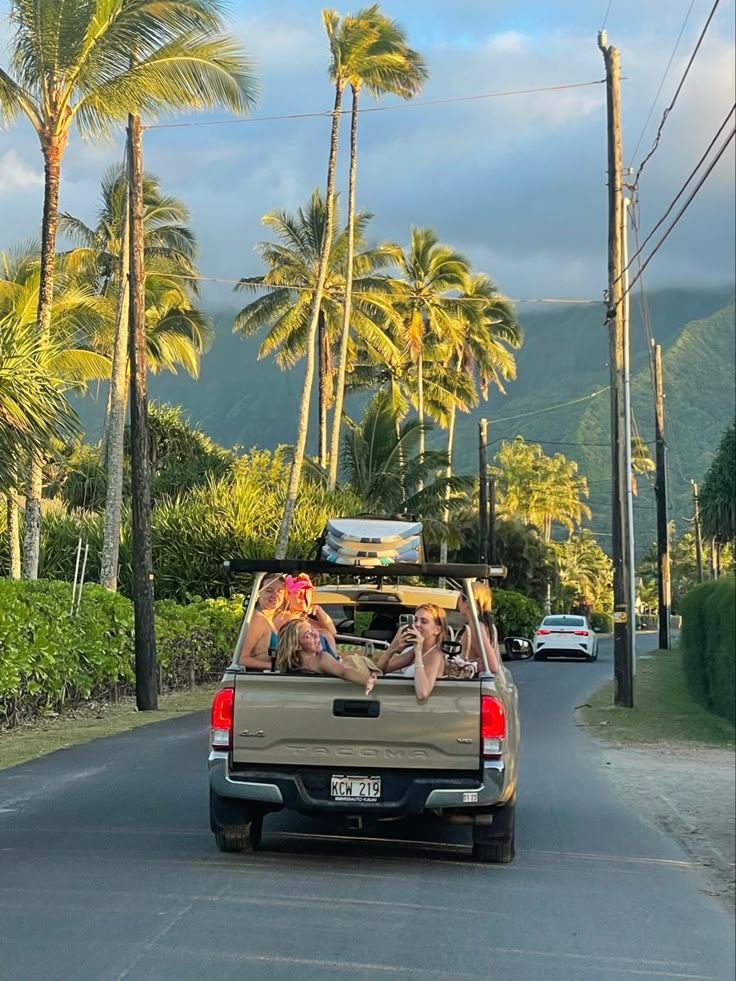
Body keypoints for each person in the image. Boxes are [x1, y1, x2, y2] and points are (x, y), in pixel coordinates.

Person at [275, 618, 381, 694]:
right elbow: (344, 671)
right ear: (297, 646)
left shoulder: (289, 670)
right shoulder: (322, 658)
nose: (316, 634)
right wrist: (366, 680)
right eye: (308, 636)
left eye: (313, 629)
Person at [374, 604, 448, 701]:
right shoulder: (414, 651)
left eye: (424, 622)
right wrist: (391, 649)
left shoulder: (435, 655)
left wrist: (418, 652)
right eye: (415, 620)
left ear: (437, 630)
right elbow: (380, 670)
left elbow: (423, 693)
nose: (417, 625)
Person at [280, 573, 338, 655]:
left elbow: (332, 632)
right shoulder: (286, 618)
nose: (303, 597)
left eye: (306, 592)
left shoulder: (301, 617)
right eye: (298, 593)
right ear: (287, 596)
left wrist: (318, 610)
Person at [237, 573, 286, 670]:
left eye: (280, 591)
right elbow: (241, 659)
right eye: (269, 590)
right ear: (258, 593)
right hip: (259, 678)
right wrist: (275, 667)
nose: (275, 595)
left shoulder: (270, 617)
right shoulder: (257, 620)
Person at [457, 581, 501, 674]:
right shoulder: (488, 626)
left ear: (467, 602)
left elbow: (492, 666)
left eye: (460, 597)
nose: (458, 601)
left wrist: (460, 664)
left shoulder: (475, 627)